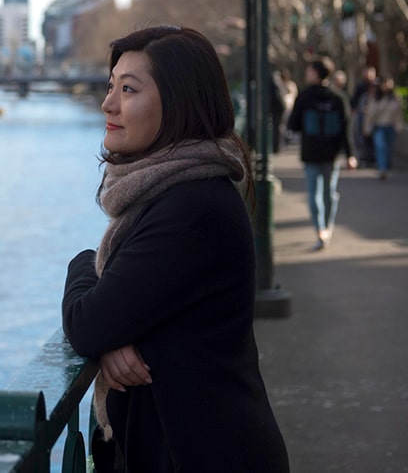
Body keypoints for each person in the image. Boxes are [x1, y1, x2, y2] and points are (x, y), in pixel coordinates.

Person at [61, 25, 289, 472]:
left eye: (128, 89)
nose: (108, 104)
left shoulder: (192, 207)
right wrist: (111, 331)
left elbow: (87, 323)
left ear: (179, 101)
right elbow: (112, 317)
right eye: (111, 87)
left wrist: (83, 267)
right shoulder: (176, 193)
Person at [287, 57, 357, 250]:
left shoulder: (305, 96)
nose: (307, 73)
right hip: (331, 154)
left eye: (309, 70)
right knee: (329, 193)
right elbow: (346, 128)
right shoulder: (338, 97)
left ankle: (321, 230)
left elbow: (293, 124)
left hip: (312, 153)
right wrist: (350, 154)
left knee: (315, 194)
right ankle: (326, 228)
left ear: (316, 73)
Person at [363, 75, 403, 179]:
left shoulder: (395, 98)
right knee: (380, 147)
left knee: (388, 149)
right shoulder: (375, 98)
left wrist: (399, 126)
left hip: (390, 127)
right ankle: (382, 169)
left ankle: (386, 166)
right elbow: (370, 114)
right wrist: (367, 127)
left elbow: (399, 114)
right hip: (379, 126)